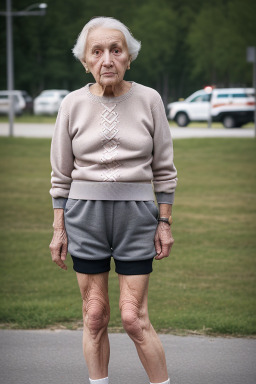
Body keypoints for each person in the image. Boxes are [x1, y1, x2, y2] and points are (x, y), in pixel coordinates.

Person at [49, 16, 177, 384]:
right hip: (84, 216)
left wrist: (164, 223)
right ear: (85, 61)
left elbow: (165, 170)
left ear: (129, 58)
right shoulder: (71, 105)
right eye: (97, 51)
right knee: (94, 315)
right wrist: (59, 228)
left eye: (116, 50)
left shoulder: (149, 99)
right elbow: (60, 175)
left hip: (137, 217)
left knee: (134, 318)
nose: (107, 59)